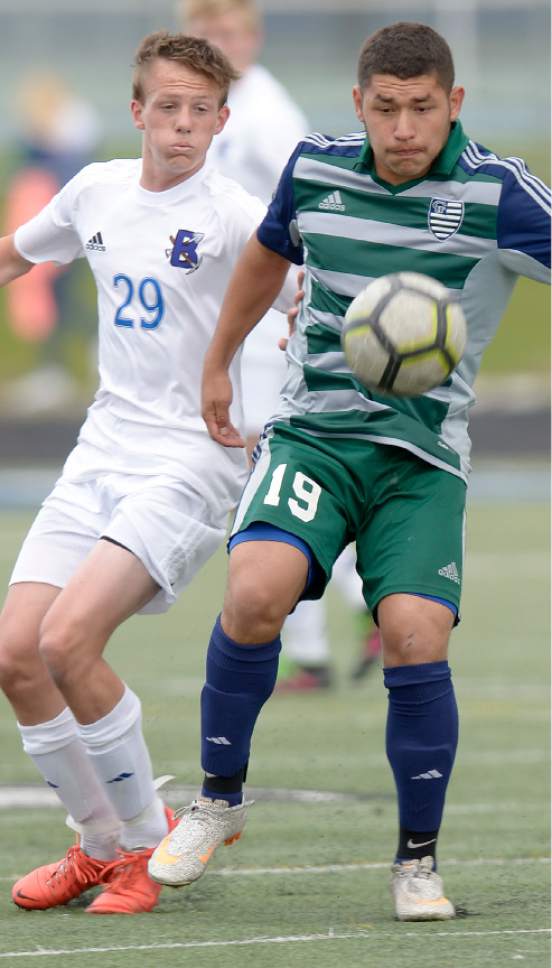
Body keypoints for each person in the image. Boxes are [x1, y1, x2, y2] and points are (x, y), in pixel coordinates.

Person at [148, 21, 550, 921]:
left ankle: (417, 861)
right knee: (256, 590)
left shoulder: (497, 193)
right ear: (359, 105)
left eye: (421, 109)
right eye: (384, 109)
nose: (403, 129)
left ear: (454, 105)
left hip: (422, 457)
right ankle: (217, 800)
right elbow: (265, 251)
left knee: (413, 631)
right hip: (314, 436)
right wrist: (220, 360)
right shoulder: (315, 169)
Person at [0, 31, 295, 916]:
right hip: (102, 450)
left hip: (191, 461)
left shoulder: (239, 216)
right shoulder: (92, 191)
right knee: (16, 653)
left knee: (68, 641)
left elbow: (315, 297)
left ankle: (142, 845)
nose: (183, 125)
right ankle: (100, 845)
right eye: (167, 107)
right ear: (138, 112)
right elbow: (17, 252)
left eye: (201, 111)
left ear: (221, 121)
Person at [182, 0, 381, 690]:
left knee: (276, 477)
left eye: (230, 33)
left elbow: (319, 201)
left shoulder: (266, 112)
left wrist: (316, 297)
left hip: (277, 321)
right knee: (269, 478)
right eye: (206, 34)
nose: (220, 44)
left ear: (254, 38)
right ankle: (346, 618)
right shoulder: (201, 111)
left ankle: (328, 633)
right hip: (238, 321)